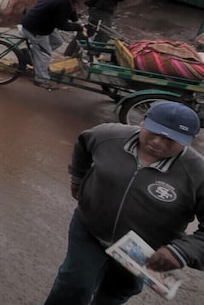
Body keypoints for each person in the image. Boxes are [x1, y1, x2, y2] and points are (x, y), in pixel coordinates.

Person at [44, 102, 204, 304]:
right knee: (74, 284)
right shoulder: (108, 136)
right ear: (143, 122)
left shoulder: (197, 173)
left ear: (188, 141)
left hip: (142, 251)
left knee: (116, 292)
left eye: (170, 140)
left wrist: (181, 251)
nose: (158, 143)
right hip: (90, 229)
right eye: (153, 132)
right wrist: (78, 178)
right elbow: (83, 145)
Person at [19, 0, 98, 90]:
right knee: (45, 53)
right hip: (36, 28)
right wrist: (78, 27)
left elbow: (71, 12)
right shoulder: (61, 2)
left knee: (57, 42)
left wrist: (76, 21)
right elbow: (62, 25)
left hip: (45, 25)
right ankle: (41, 80)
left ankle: (29, 54)